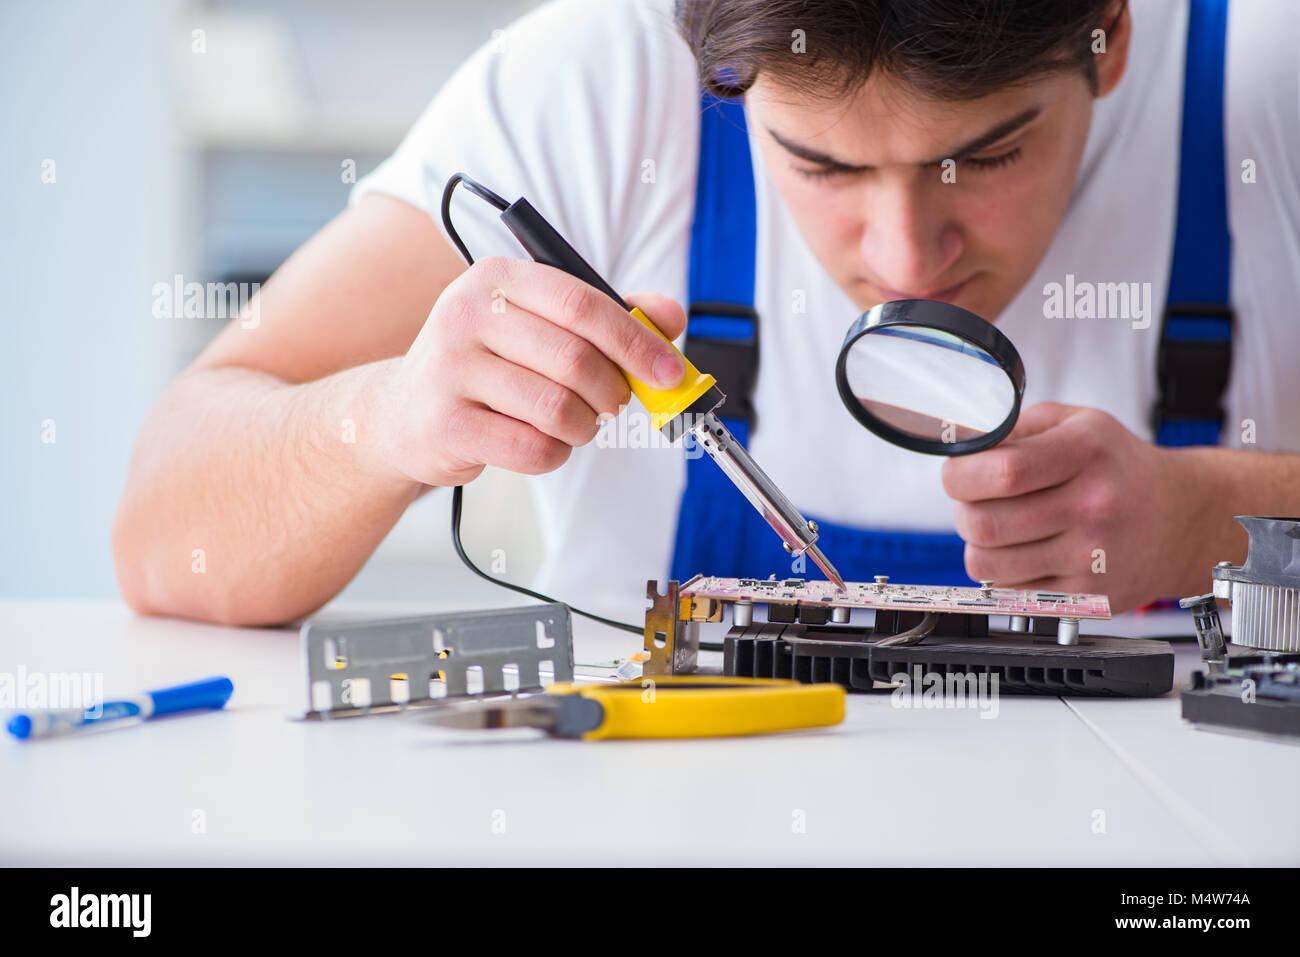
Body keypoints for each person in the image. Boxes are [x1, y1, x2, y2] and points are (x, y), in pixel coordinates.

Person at [112, 0, 1300, 626]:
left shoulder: (1268, 87)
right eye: (821, 168)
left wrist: (1224, 522)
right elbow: (165, 531)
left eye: (984, 157)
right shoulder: (593, 82)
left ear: (1110, 36)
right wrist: (385, 421)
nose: (904, 259)